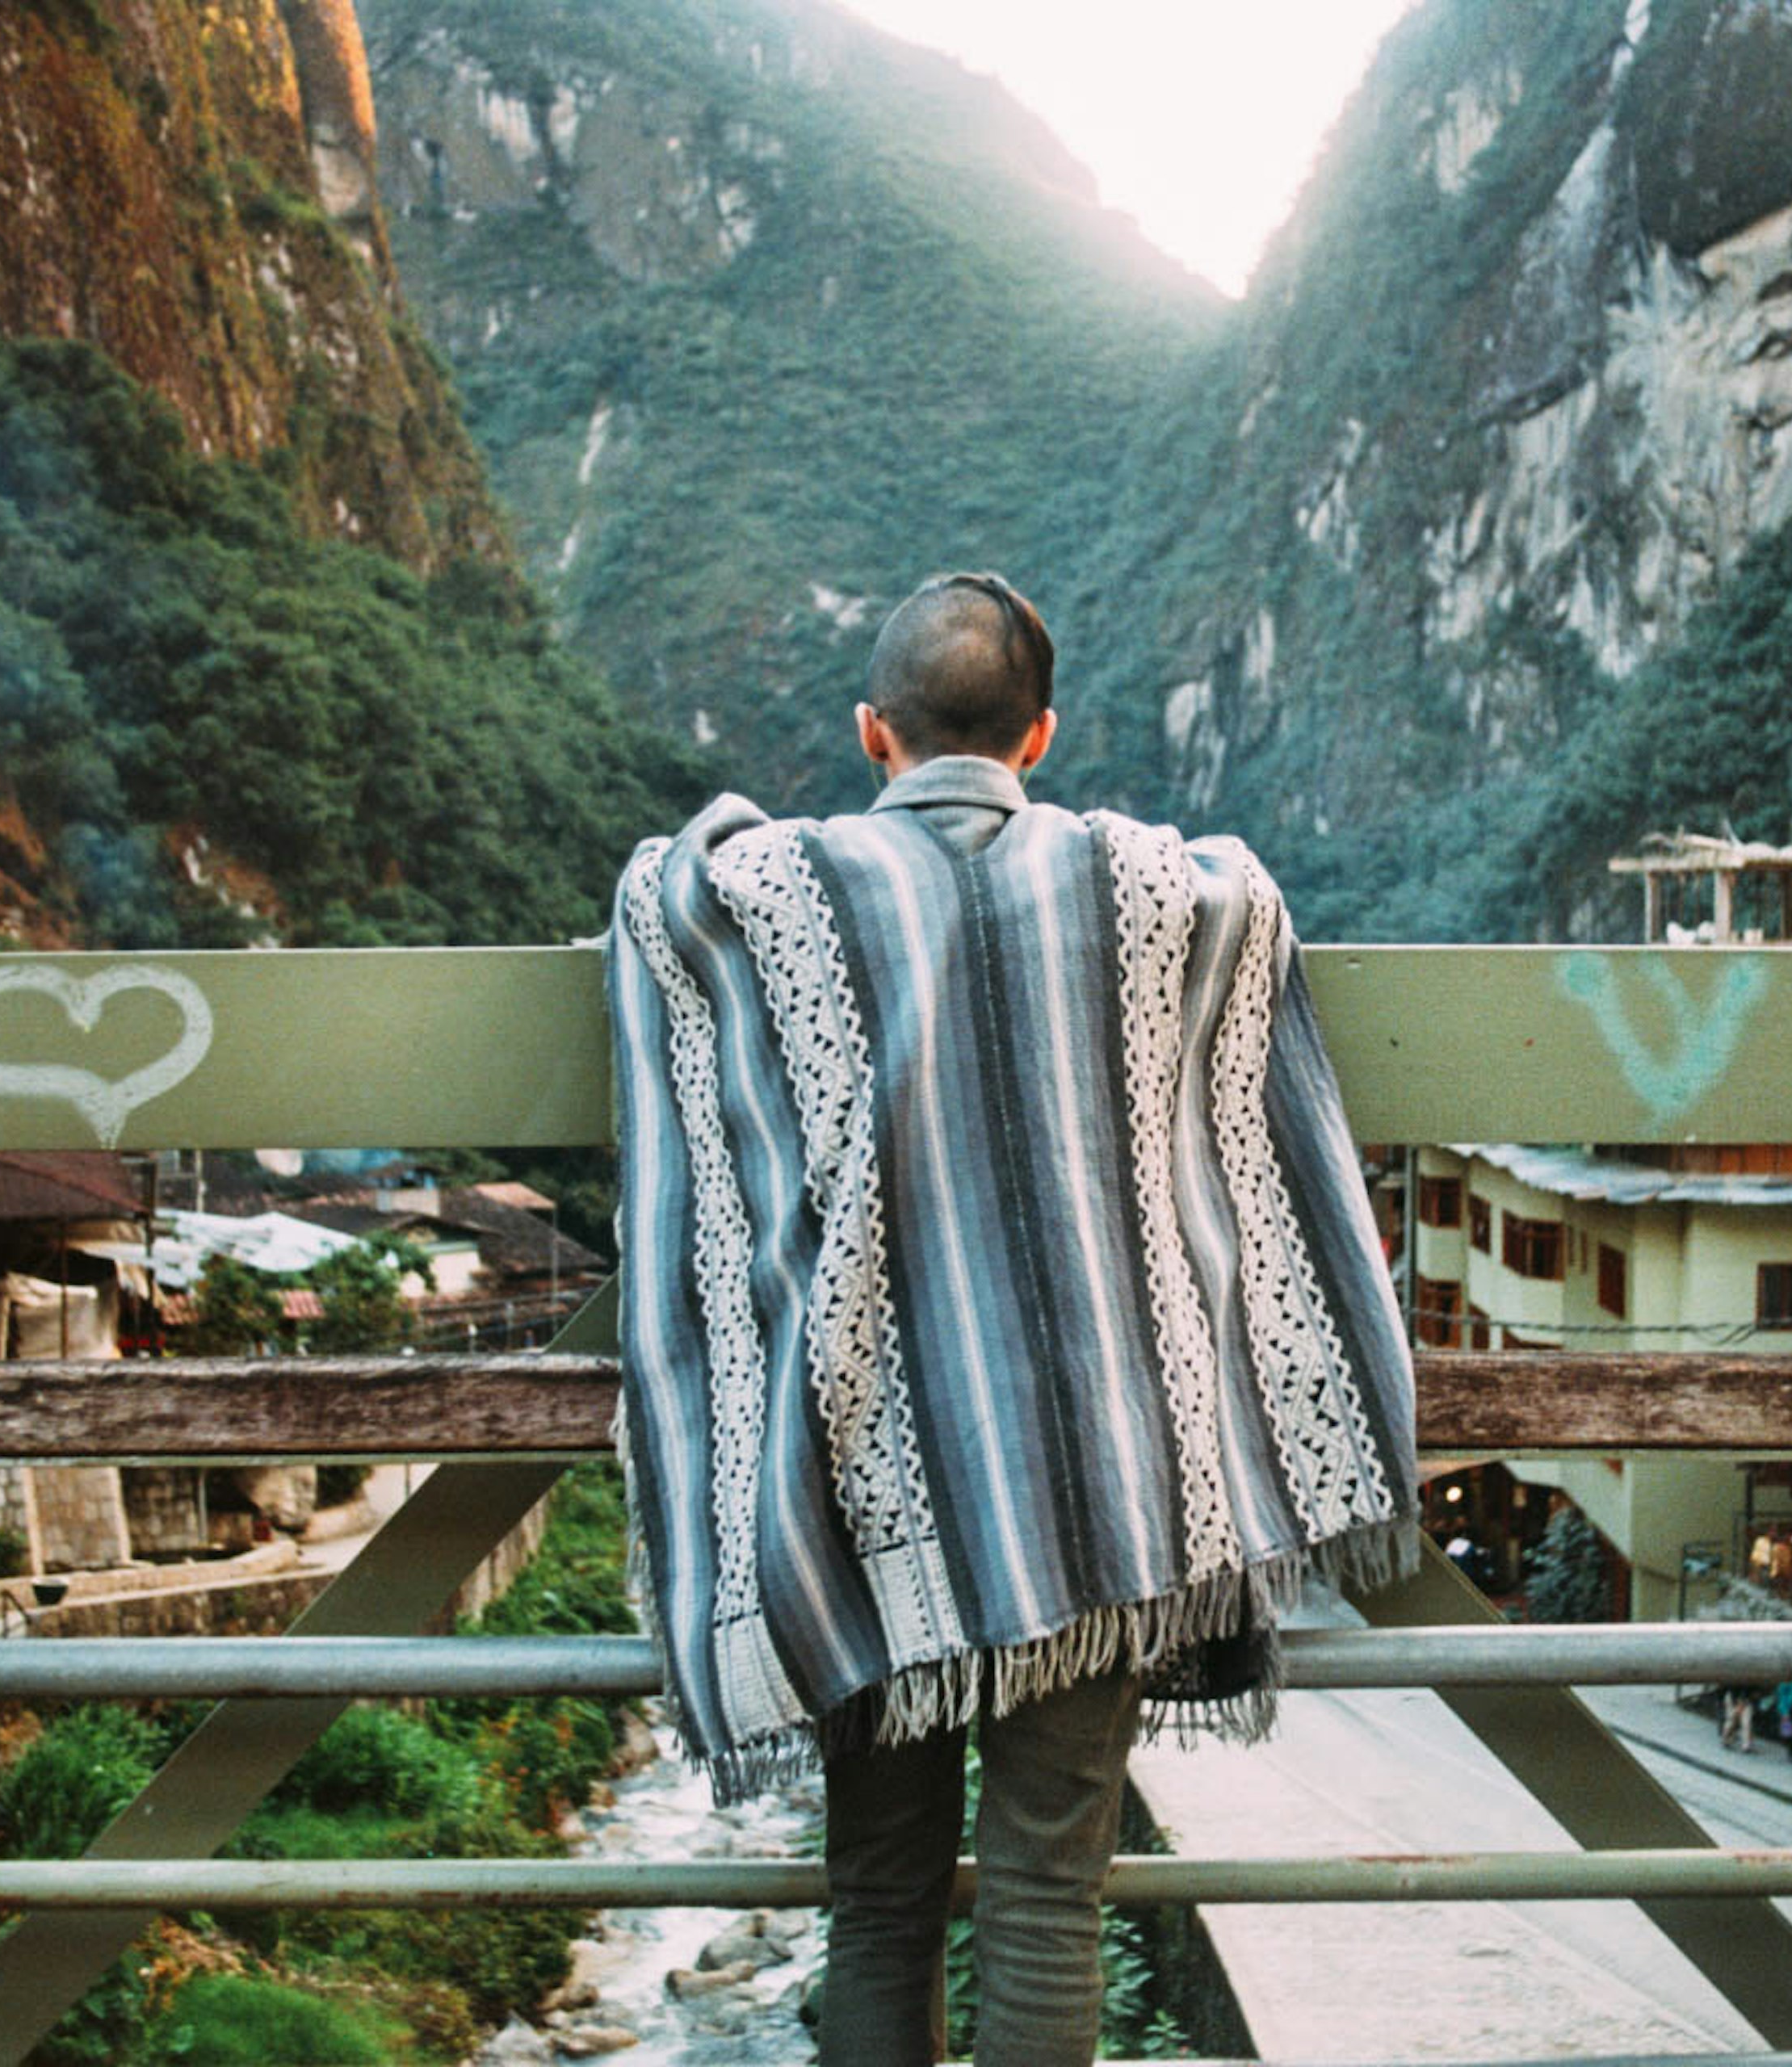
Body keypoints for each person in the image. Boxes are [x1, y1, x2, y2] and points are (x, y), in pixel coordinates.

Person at [605, 571, 1418, 2065]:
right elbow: (1247, 895)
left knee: (880, 1901)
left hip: (868, 1482)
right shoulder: (1148, 882)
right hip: (1098, 1484)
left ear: (872, 732)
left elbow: (673, 883)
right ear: (1042, 739)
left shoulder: (792, 889)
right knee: (1051, 1894)